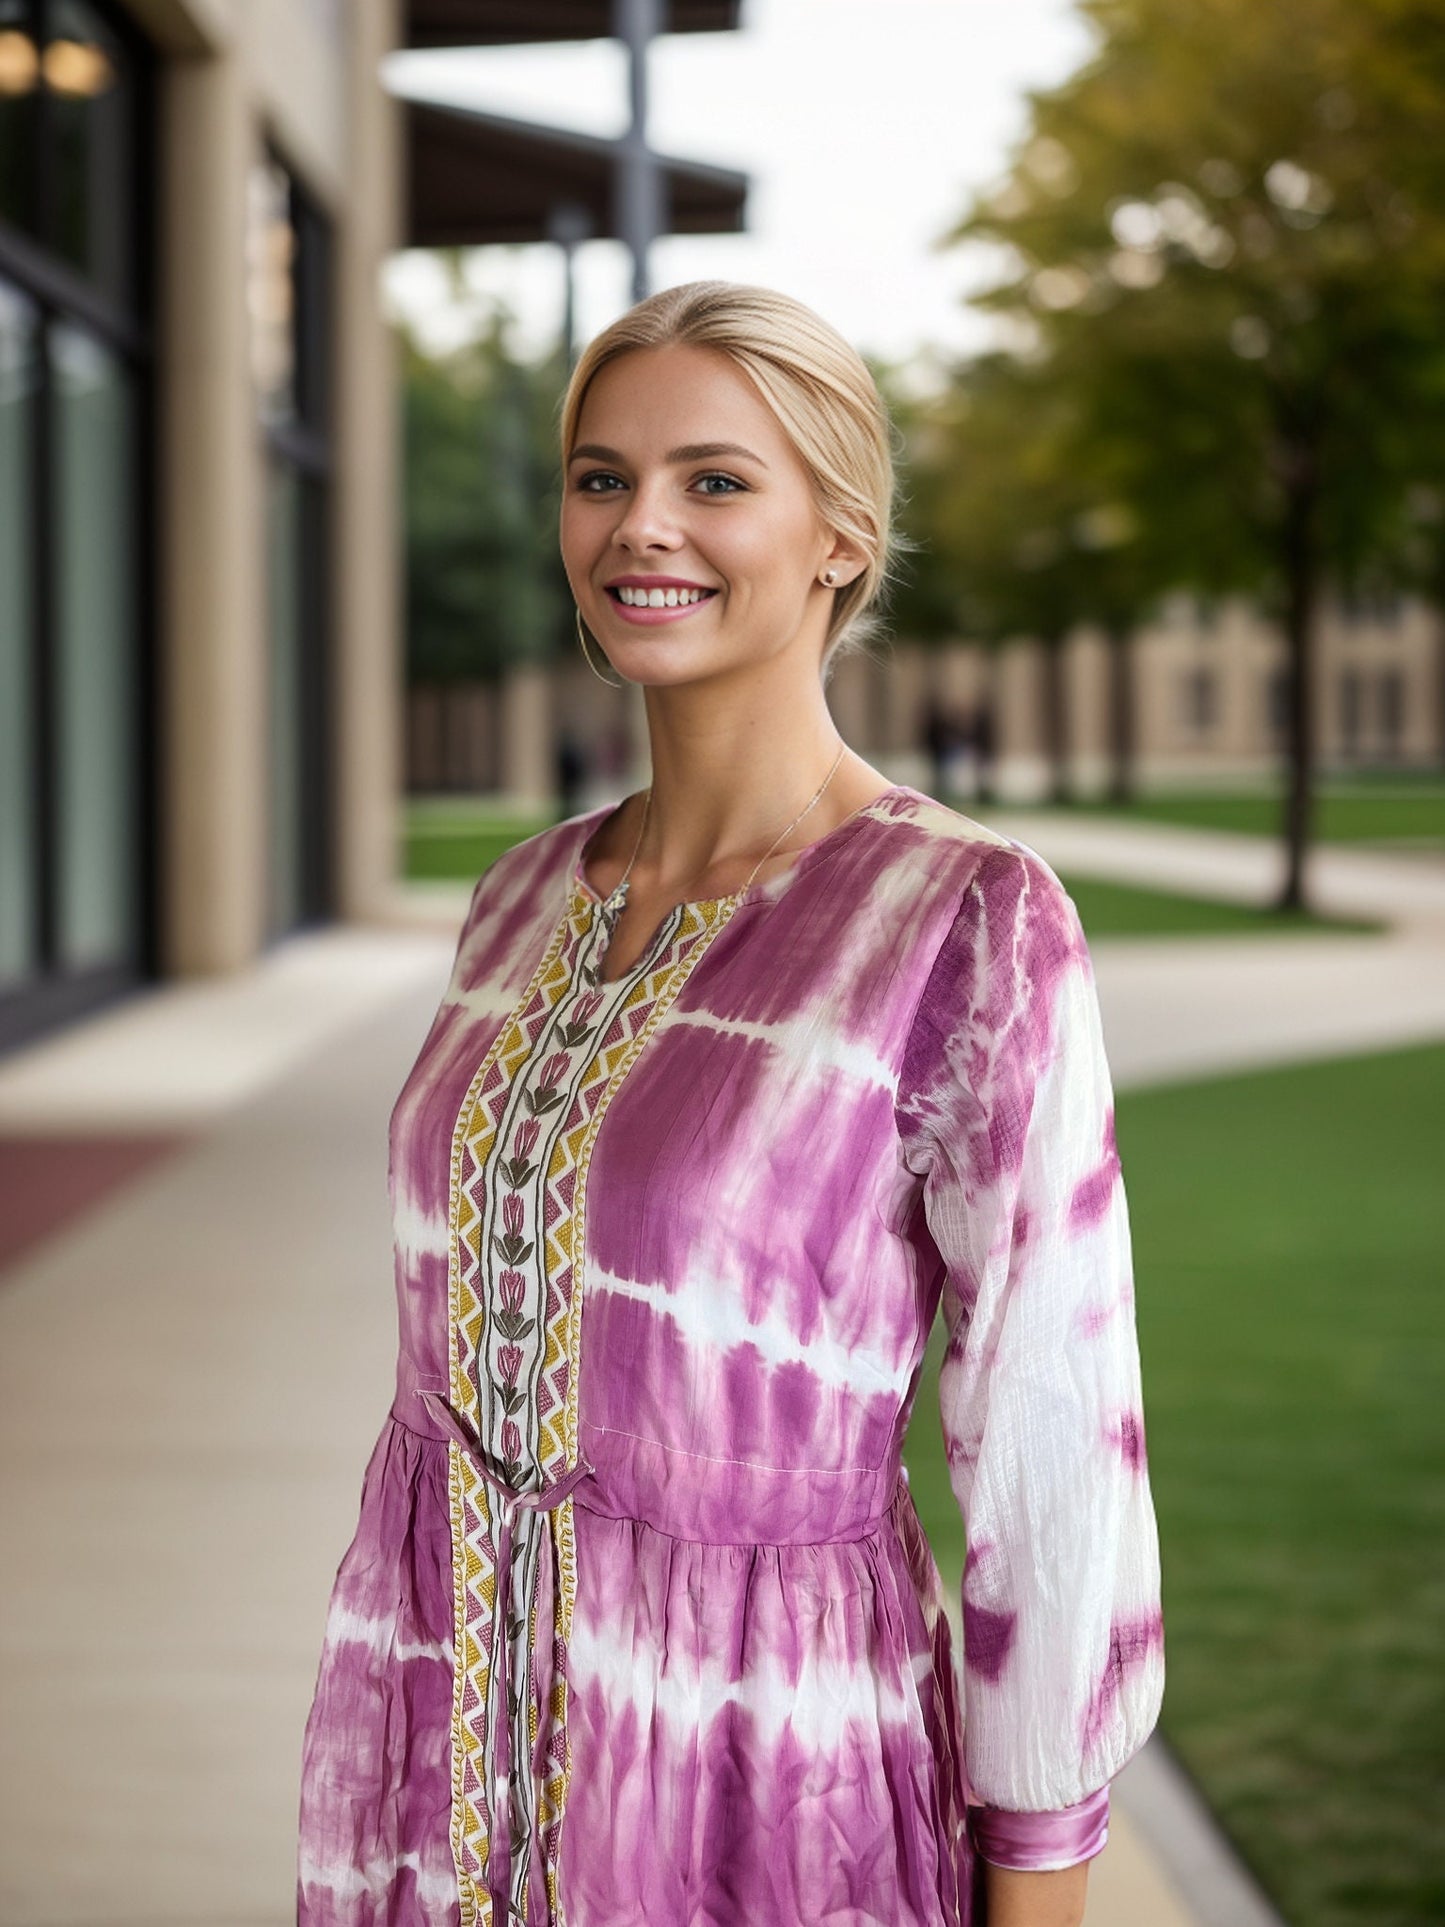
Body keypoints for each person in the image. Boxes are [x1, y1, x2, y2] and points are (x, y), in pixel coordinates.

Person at [295, 280, 1164, 1927]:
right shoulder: (520, 899)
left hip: (758, 1774)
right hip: (434, 1753)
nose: (642, 528)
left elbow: (1051, 1449)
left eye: (714, 480)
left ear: (840, 535)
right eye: (601, 476)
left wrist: (1036, 1877)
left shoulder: (964, 919)